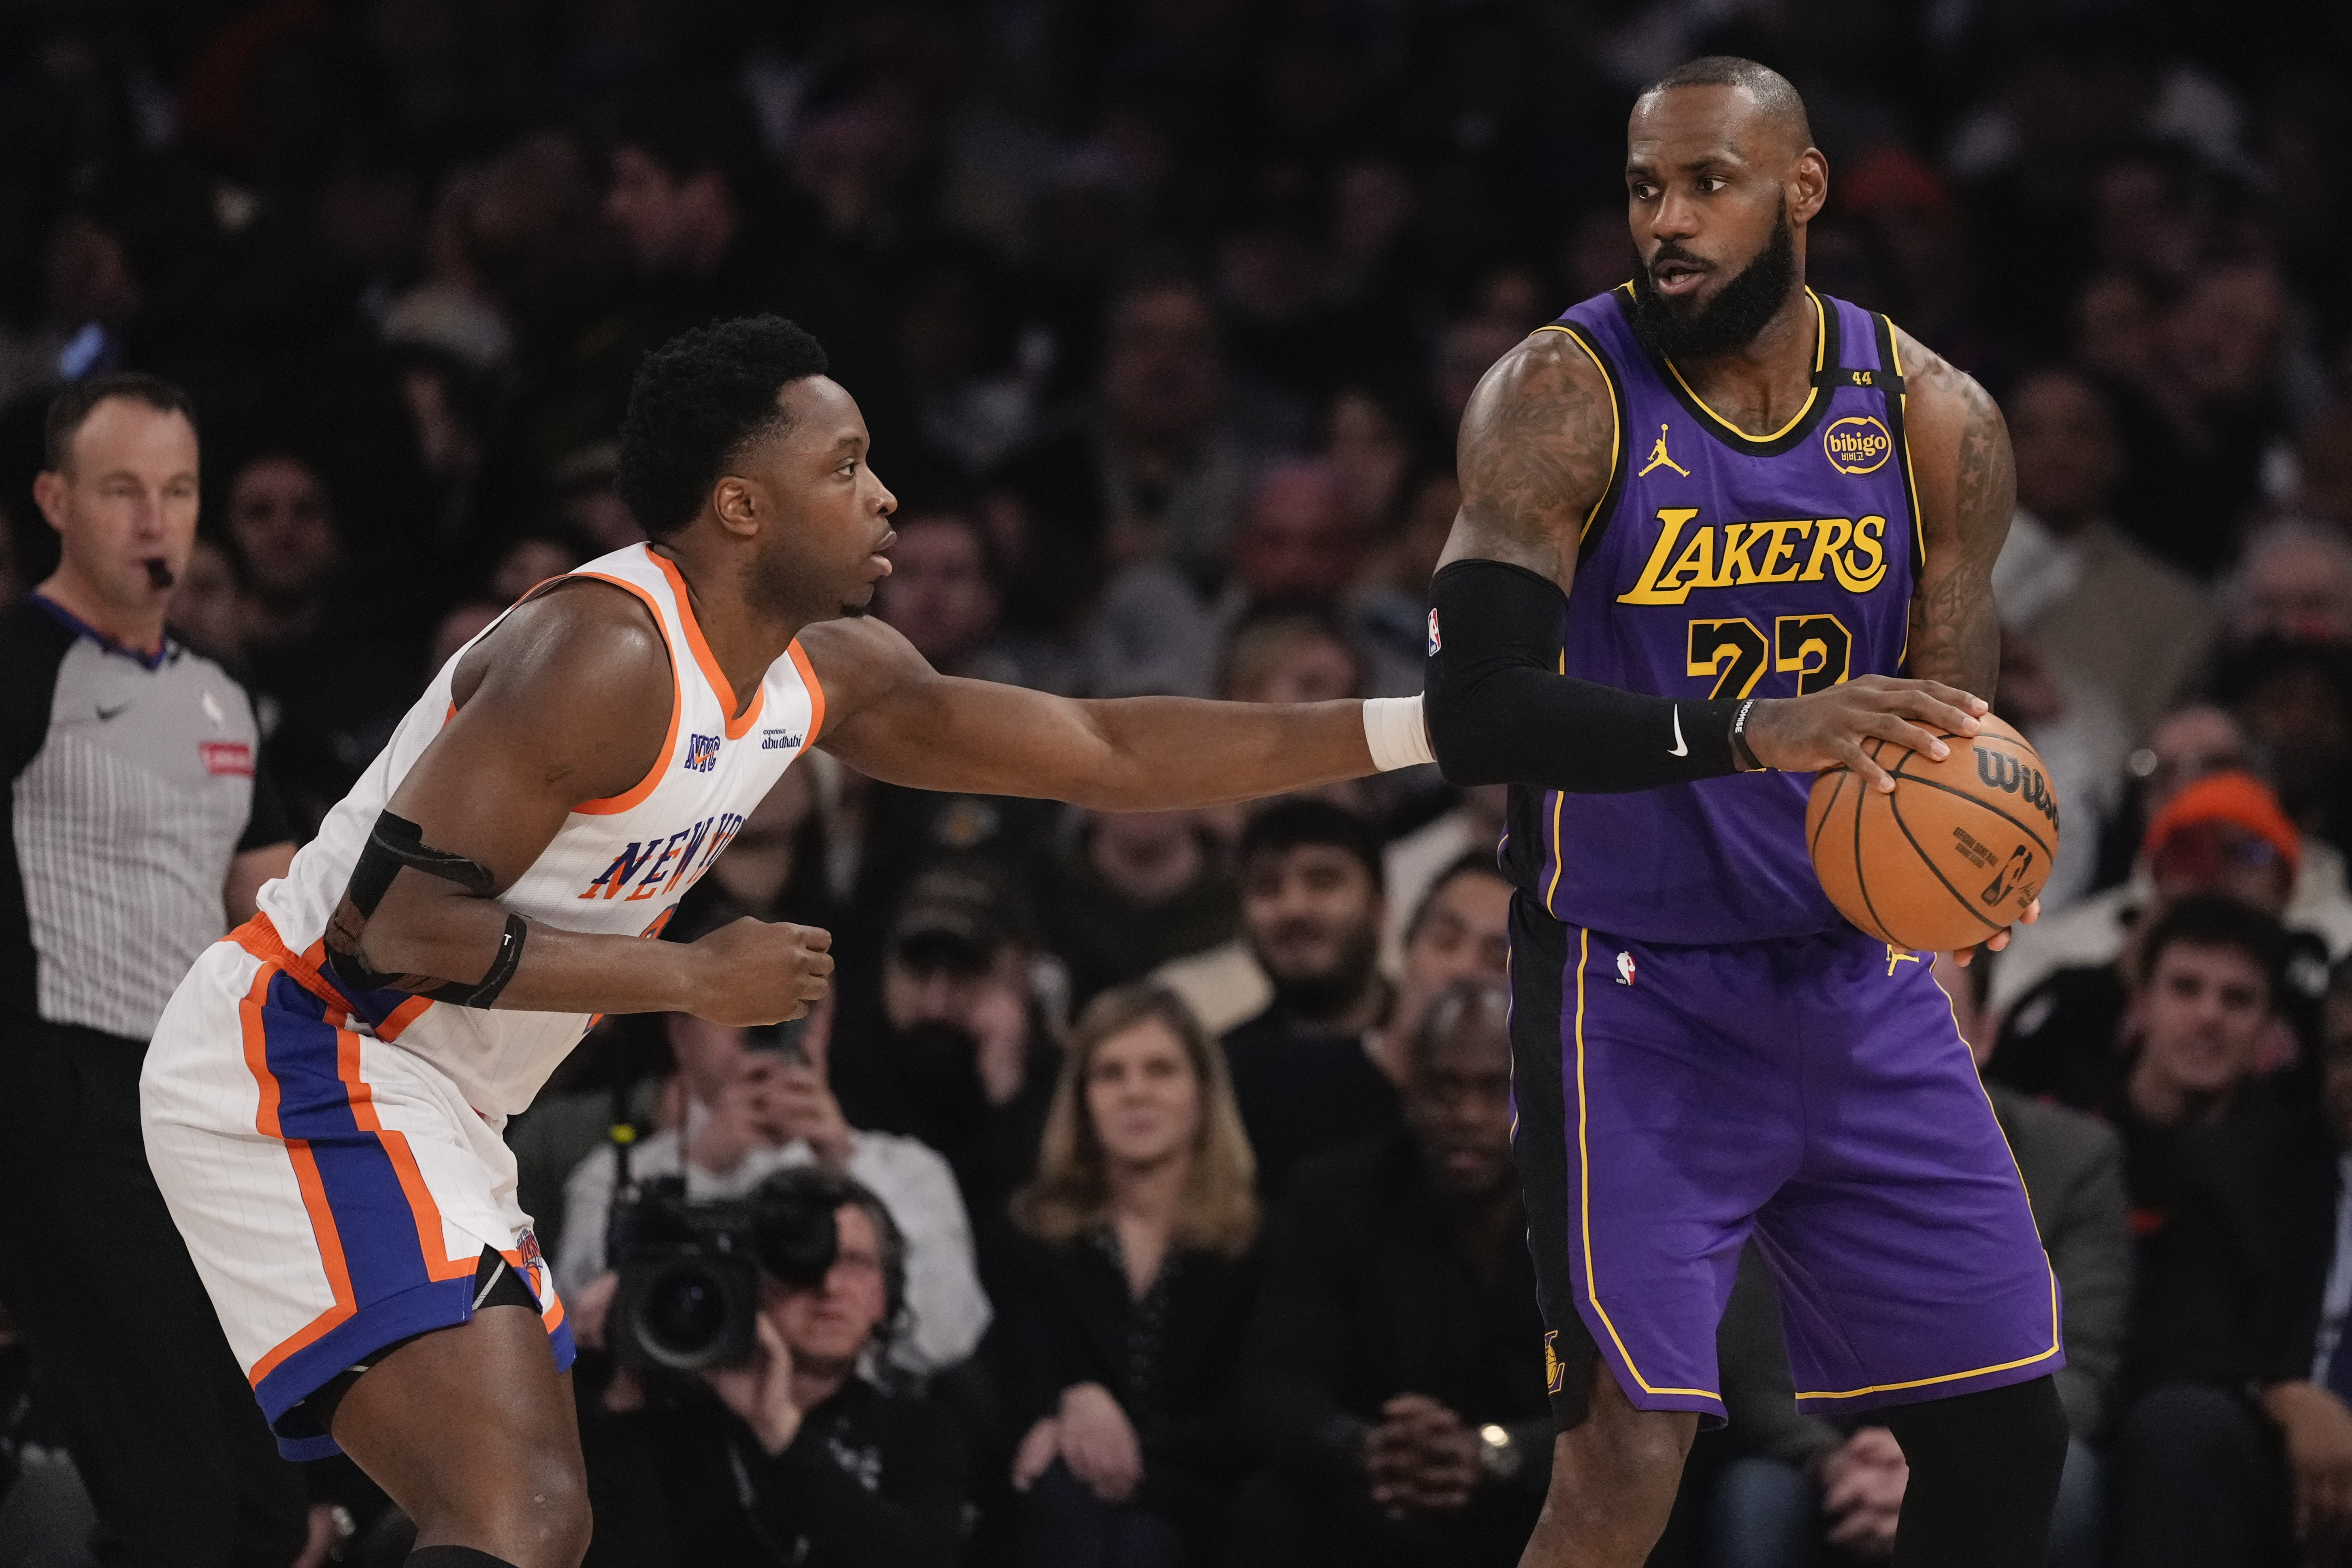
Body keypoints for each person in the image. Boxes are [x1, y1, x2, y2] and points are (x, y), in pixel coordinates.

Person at [130, 313, 1464, 1568]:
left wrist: (1421, 727)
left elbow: (1103, 750)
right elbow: (394, 929)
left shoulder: (821, 668)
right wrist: (691, 976)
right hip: (308, 1053)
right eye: (844, 466)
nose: (883, 496)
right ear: (740, 507)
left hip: (430, 1094)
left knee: (523, 1524)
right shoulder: (605, 651)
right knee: (522, 1511)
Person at [1419, 59, 2065, 1567]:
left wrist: (1975, 875)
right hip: (1633, 996)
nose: (1668, 220)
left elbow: (1946, 742)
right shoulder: (1559, 398)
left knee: (2008, 1443)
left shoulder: (1933, 419)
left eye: (1709, 183)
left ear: (1805, 190)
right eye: (1646, 188)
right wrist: (1749, 731)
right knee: (1621, 1468)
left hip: (1857, 981)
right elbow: (1476, 710)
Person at [0, 372, 311, 1568]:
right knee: (175, 1509)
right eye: (122, 489)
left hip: (198, 1115)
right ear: (54, 502)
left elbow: (280, 912)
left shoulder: (219, 692)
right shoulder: (18, 665)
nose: (154, 520)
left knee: (266, 1513)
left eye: (177, 491)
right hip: (64, 1108)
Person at [1233, 981, 1550, 1568]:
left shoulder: (1596, 1218)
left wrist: (1496, 1452)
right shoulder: (1335, 1200)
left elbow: (1631, 1407)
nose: (1467, 1115)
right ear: (1409, 1094)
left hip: (1538, 1494)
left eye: (1495, 1090)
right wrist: (1365, 1448)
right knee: (1271, 1507)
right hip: (1381, 1497)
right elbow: (1276, 1384)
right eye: (1445, 1090)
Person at [988, 984, 1265, 1568]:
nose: (1135, 1092)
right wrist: (1071, 1403)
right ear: (1082, 1101)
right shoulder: (1030, 1234)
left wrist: (1120, 1438)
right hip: (1067, 1500)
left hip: (1205, 1498)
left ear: (1202, 1092)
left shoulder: (1259, 1240)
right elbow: (1015, 1382)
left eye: (1160, 1070)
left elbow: (1253, 1415)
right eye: (1110, 1074)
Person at [555, 1004, 988, 1378]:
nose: (765, 1026)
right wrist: (701, 1171)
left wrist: (848, 1171)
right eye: (739, 1007)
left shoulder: (909, 1171)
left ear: (825, 1024)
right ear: (680, 1033)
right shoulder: (616, 1176)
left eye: (796, 1007)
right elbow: (579, 1331)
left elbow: (946, 1337)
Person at [579, 1168, 968, 1568]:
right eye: (800, 1262)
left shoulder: (921, 1433)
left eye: (855, 1262)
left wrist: (779, 1429)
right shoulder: (674, 1424)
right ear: (747, 1278)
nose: (829, 1286)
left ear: (887, 1293)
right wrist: (612, 1393)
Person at [2114, 966, 2352, 1567]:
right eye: (2346, 1052)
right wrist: (2284, 1394)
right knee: (2179, 1425)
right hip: (2270, 1472)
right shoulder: (2240, 1172)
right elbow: (2173, 1347)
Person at [1219, 800, 1405, 1202]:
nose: (1295, 909)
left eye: (1324, 881)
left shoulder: (1440, 1059)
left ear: (1381, 907)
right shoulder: (1218, 1075)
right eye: (1267, 888)